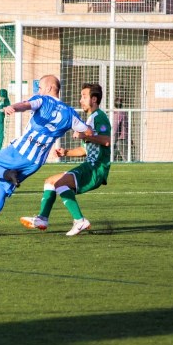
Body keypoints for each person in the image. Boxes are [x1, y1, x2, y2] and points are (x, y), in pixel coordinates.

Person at [0, 74, 89, 237]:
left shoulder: (43, 100)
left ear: (48, 88)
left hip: (19, 151)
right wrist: (80, 134)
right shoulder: (70, 114)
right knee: (2, 189)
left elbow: (26, 105)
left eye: (40, 87)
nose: (39, 91)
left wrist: (14, 107)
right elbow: (87, 131)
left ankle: (7, 173)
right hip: (35, 161)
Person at [20, 83, 111, 236]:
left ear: (94, 99)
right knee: (50, 181)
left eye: (84, 96)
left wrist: (85, 135)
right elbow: (84, 150)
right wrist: (66, 152)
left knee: (60, 183)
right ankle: (42, 218)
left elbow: (106, 140)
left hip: (96, 167)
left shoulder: (99, 116)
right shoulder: (89, 120)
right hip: (89, 164)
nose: (80, 99)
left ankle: (80, 220)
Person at [112, 97, 128, 161]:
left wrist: (113, 138)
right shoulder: (123, 112)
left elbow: (115, 127)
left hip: (120, 138)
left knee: (125, 157)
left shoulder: (118, 113)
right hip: (122, 137)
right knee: (113, 155)